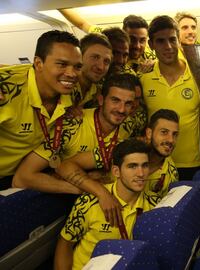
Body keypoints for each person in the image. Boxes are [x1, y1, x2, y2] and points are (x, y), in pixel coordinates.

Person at [13, 73, 146, 195]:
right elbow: (22, 178)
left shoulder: (128, 125)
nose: (121, 109)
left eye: (128, 103)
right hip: (58, 195)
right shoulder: (71, 125)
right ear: (101, 100)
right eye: (115, 100)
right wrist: (84, 187)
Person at [0, 30, 82, 190]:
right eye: (62, 64)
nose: (72, 74)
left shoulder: (74, 92)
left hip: (19, 173)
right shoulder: (7, 90)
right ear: (38, 64)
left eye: (77, 66)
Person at [54, 138, 152, 270]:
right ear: (116, 171)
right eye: (132, 166)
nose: (140, 173)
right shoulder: (90, 202)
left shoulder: (155, 205)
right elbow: (65, 245)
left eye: (144, 165)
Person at [140, 15, 200, 181]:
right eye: (160, 41)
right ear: (151, 45)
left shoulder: (197, 75)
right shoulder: (144, 79)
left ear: (179, 41)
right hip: (155, 166)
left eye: (172, 39)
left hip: (190, 165)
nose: (168, 46)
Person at [59, 9, 156, 74]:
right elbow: (82, 24)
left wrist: (155, 64)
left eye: (142, 40)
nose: (137, 46)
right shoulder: (107, 38)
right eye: (132, 39)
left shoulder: (151, 55)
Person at [142, 109, 180, 207]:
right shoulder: (127, 152)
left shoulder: (171, 174)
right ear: (149, 133)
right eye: (164, 132)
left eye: (174, 134)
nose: (171, 140)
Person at [70, 33, 112, 109]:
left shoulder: (97, 91)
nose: (101, 67)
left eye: (106, 61)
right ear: (79, 56)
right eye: (95, 57)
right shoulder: (65, 86)